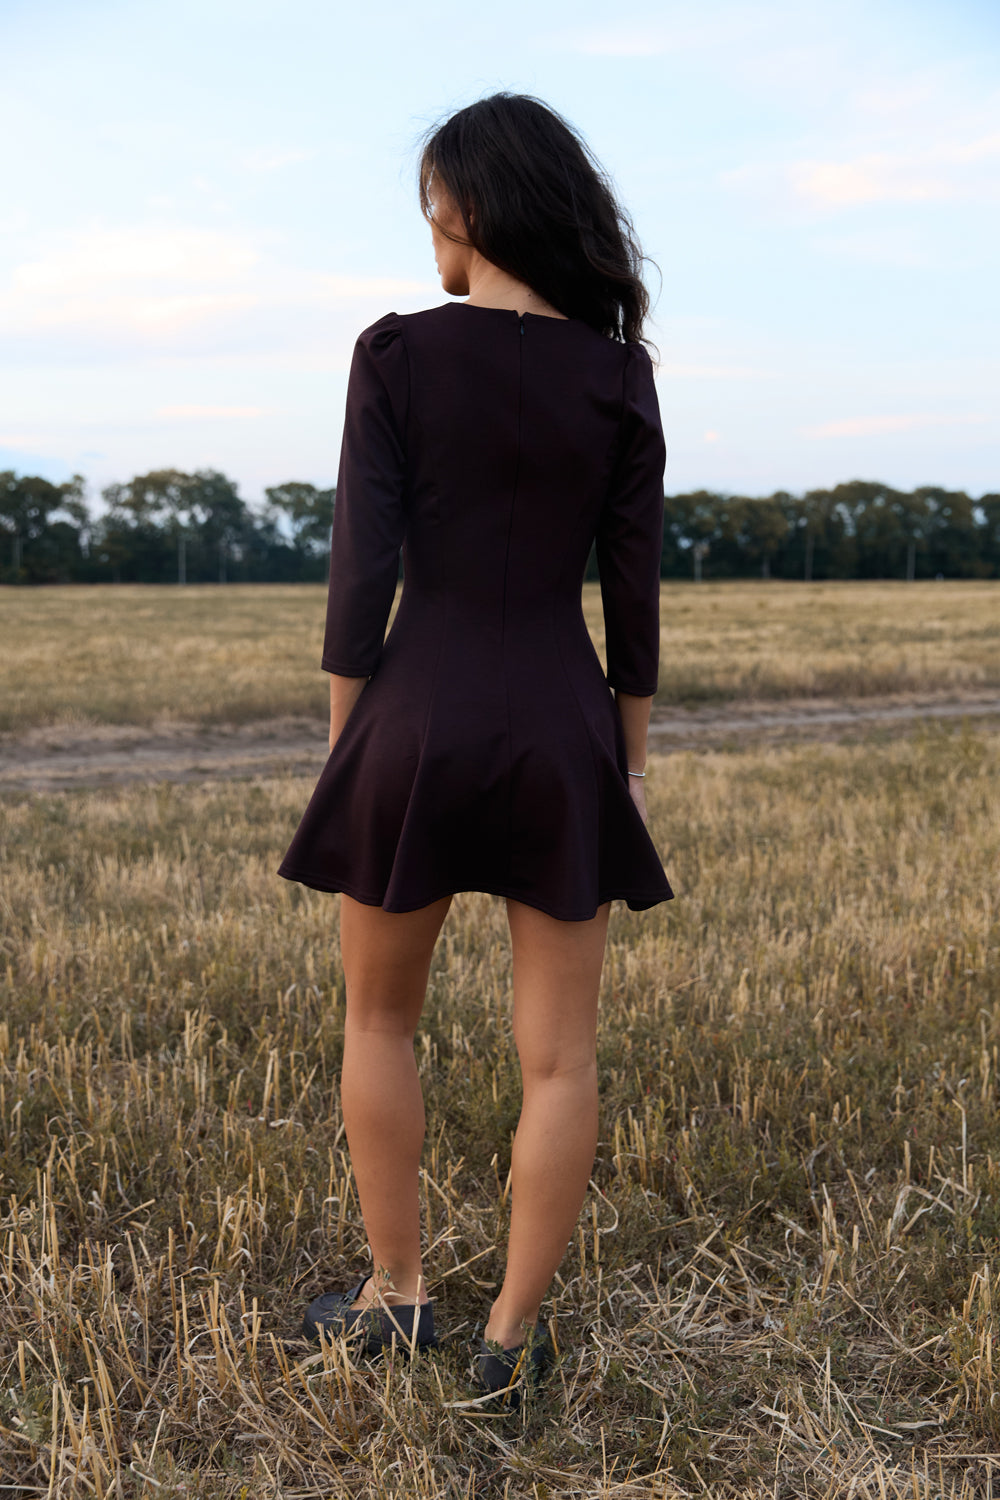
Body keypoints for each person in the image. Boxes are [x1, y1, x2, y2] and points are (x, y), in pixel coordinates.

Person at [277, 91, 673, 1402]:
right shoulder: (619, 376)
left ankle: (397, 1295)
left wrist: (351, 750)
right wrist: (619, 761)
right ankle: (508, 1339)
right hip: (561, 716)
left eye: (428, 208)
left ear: (461, 207)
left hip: (416, 714)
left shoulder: (394, 352)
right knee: (561, 1056)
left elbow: (359, 579)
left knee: (378, 1017)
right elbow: (633, 598)